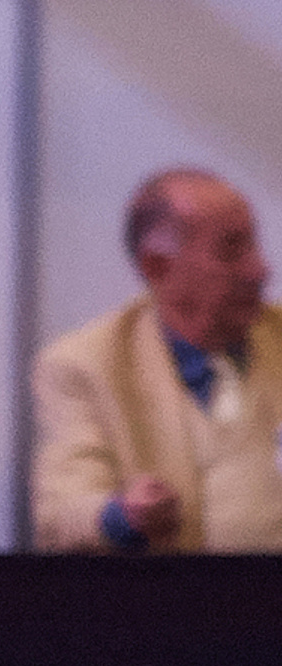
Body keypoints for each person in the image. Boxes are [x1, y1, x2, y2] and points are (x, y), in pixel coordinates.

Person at [32, 168, 282, 552]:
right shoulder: (84, 365)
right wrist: (121, 517)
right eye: (232, 250)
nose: (260, 269)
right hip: (162, 605)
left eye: (254, 245)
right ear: (157, 267)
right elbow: (59, 516)